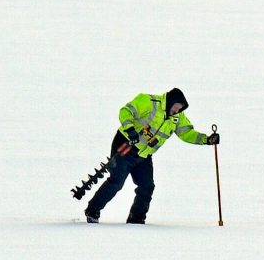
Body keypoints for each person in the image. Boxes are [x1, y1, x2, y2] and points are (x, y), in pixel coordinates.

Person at [84, 88, 219, 224]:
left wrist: (206, 139)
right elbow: (125, 111)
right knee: (116, 182)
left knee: (147, 186)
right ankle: (92, 211)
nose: (177, 111)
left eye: (180, 109)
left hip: (143, 155)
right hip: (125, 145)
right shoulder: (149, 101)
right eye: (176, 107)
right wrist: (130, 129)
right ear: (170, 101)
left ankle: (136, 219)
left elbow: (187, 133)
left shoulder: (177, 118)